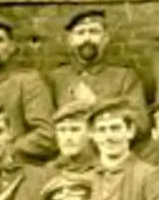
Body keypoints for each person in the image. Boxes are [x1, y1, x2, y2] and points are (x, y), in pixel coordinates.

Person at [0, 14, 56, 163]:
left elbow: (46, 135)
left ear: (12, 46)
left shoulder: (28, 82)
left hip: (22, 169)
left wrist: (9, 150)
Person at [48, 9, 150, 139]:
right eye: (80, 33)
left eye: (94, 31)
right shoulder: (55, 79)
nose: (87, 38)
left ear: (106, 38)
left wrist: (97, 104)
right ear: (70, 40)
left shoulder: (124, 77)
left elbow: (141, 123)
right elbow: (45, 127)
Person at [50, 98, 98, 175]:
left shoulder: (102, 169)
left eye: (75, 129)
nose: (68, 137)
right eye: (62, 130)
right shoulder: (50, 171)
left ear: (91, 132)